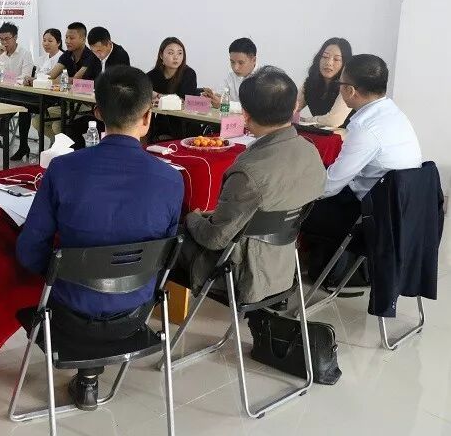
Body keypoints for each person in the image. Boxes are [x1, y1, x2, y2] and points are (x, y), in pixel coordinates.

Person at [17, 65, 183, 411]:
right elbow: (163, 256)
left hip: (69, 315)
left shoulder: (63, 169)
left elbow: (29, 251)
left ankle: (87, 376)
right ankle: (89, 378)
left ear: (97, 113)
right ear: (147, 117)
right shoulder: (171, 179)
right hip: (136, 315)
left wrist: (62, 273)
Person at [179, 67, 326, 303]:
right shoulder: (311, 151)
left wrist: (192, 218)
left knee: (170, 237)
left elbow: (215, 239)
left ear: (245, 115)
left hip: (242, 273)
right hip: (285, 265)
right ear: (294, 108)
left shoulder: (248, 172)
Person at [302, 55, 422, 274]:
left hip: (372, 220)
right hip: (404, 214)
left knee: (295, 208)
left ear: (350, 91)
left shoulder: (365, 127)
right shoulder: (394, 113)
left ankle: (285, 274)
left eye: (340, 84)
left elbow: (329, 187)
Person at [0, 22, 35, 161]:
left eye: (7, 39)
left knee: (24, 108)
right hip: (6, 91)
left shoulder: (25, 53)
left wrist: (10, 80)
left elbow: (25, 77)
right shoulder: (2, 55)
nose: (4, 42)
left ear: (15, 37)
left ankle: (21, 144)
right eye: (1, 39)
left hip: (22, 92)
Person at [146, 37, 198, 140]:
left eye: (180, 53)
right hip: (160, 123)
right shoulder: (153, 75)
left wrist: (158, 95)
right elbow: (142, 92)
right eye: (171, 53)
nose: (176, 57)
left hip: (184, 124)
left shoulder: (189, 74)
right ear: (161, 55)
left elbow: (183, 102)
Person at [296, 38, 353, 128]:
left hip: (344, 135)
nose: (329, 63)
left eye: (336, 59)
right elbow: (291, 109)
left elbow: (334, 121)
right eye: (325, 57)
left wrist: (305, 121)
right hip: (318, 133)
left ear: (345, 63)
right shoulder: (309, 82)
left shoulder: (347, 86)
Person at [26, 29, 64, 140]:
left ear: (58, 43)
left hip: (57, 99)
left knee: (50, 123)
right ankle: (56, 143)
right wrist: (30, 80)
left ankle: (61, 144)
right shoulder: (41, 59)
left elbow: (58, 80)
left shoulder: (63, 58)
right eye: (44, 40)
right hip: (41, 95)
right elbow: (37, 78)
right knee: (35, 120)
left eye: (50, 41)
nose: (46, 43)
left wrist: (36, 80)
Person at [202, 37, 259, 108]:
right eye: (232, 62)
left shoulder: (263, 80)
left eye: (241, 63)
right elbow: (221, 95)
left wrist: (224, 104)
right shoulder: (231, 74)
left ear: (254, 60)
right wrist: (212, 97)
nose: (235, 68)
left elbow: (253, 108)